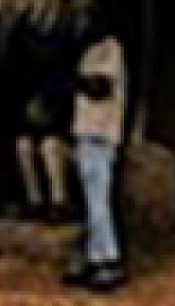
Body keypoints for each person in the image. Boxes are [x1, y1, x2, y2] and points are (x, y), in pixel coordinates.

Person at [64, 25, 127, 293]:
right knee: (90, 202)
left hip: (100, 135)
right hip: (86, 134)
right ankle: (94, 257)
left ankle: (109, 260)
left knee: (99, 202)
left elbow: (100, 86)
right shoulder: (89, 53)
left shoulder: (110, 48)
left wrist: (71, 80)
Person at [15, 74, 73, 224]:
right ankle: (35, 202)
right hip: (41, 139)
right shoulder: (31, 95)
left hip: (69, 146)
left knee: (50, 146)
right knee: (23, 145)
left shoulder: (65, 92)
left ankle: (59, 203)